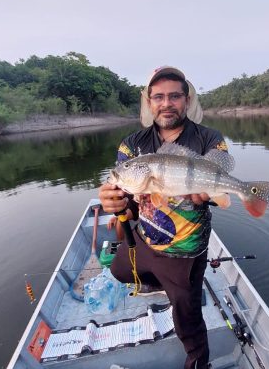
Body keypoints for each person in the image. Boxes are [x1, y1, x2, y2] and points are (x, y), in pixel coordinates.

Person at [98, 66, 228, 369]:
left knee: (187, 318)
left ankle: (198, 361)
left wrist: (207, 194)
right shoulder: (131, 145)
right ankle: (159, 282)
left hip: (186, 249)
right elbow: (128, 202)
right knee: (118, 270)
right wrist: (115, 203)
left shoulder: (209, 138)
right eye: (158, 97)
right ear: (148, 101)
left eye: (174, 96)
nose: (166, 103)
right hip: (147, 239)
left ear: (186, 99)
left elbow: (218, 186)